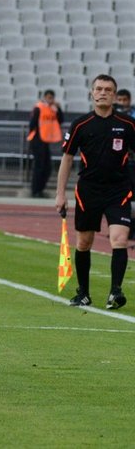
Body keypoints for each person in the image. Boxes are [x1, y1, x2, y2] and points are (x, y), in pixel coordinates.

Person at [55, 74, 135, 310]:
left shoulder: (128, 125)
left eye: (108, 90)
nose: (103, 93)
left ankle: (115, 292)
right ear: (92, 93)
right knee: (84, 242)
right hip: (88, 191)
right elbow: (67, 159)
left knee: (119, 239)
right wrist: (61, 194)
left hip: (118, 190)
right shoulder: (80, 124)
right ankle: (84, 293)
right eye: (98, 89)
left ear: (114, 95)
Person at [27, 89, 64, 198]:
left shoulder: (53, 109)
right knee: (40, 166)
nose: (50, 99)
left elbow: (60, 120)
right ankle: (35, 190)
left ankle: (40, 189)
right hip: (37, 140)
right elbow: (32, 123)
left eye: (51, 97)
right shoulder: (39, 107)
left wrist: (59, 109)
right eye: (48, 97)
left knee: (47, 167)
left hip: (45, 140)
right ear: (45, 97)